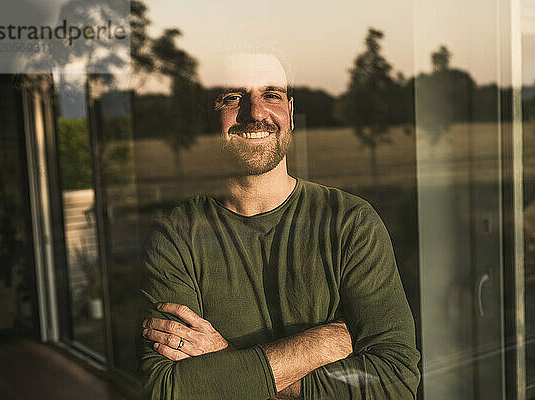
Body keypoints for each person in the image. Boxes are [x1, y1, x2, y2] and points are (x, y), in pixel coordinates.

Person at [137, 53, 420, 399]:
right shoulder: (177, 237)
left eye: (271, 95)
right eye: (233, 97)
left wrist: (227, 365)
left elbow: (395, 382)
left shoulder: (350, 223)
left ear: (290, 112)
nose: (255, 113)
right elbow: (166, 389)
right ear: (205, 116)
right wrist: (316, 345)